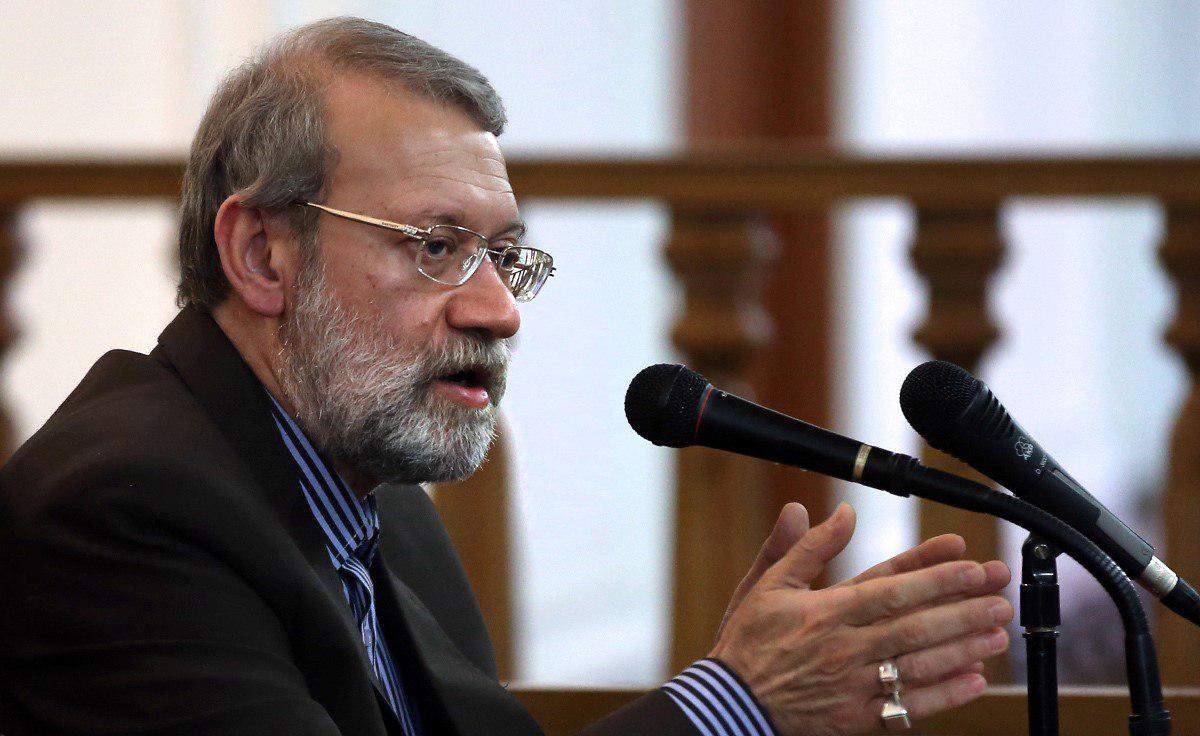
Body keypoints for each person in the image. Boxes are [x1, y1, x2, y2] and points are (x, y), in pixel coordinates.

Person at [0, 17, 1013, 736]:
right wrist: (736, 703)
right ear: (263, 255)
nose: (500, 308)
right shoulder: (127, 508)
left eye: (505, 255)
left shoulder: (379, 500)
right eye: (437, 246)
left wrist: (751, 697)